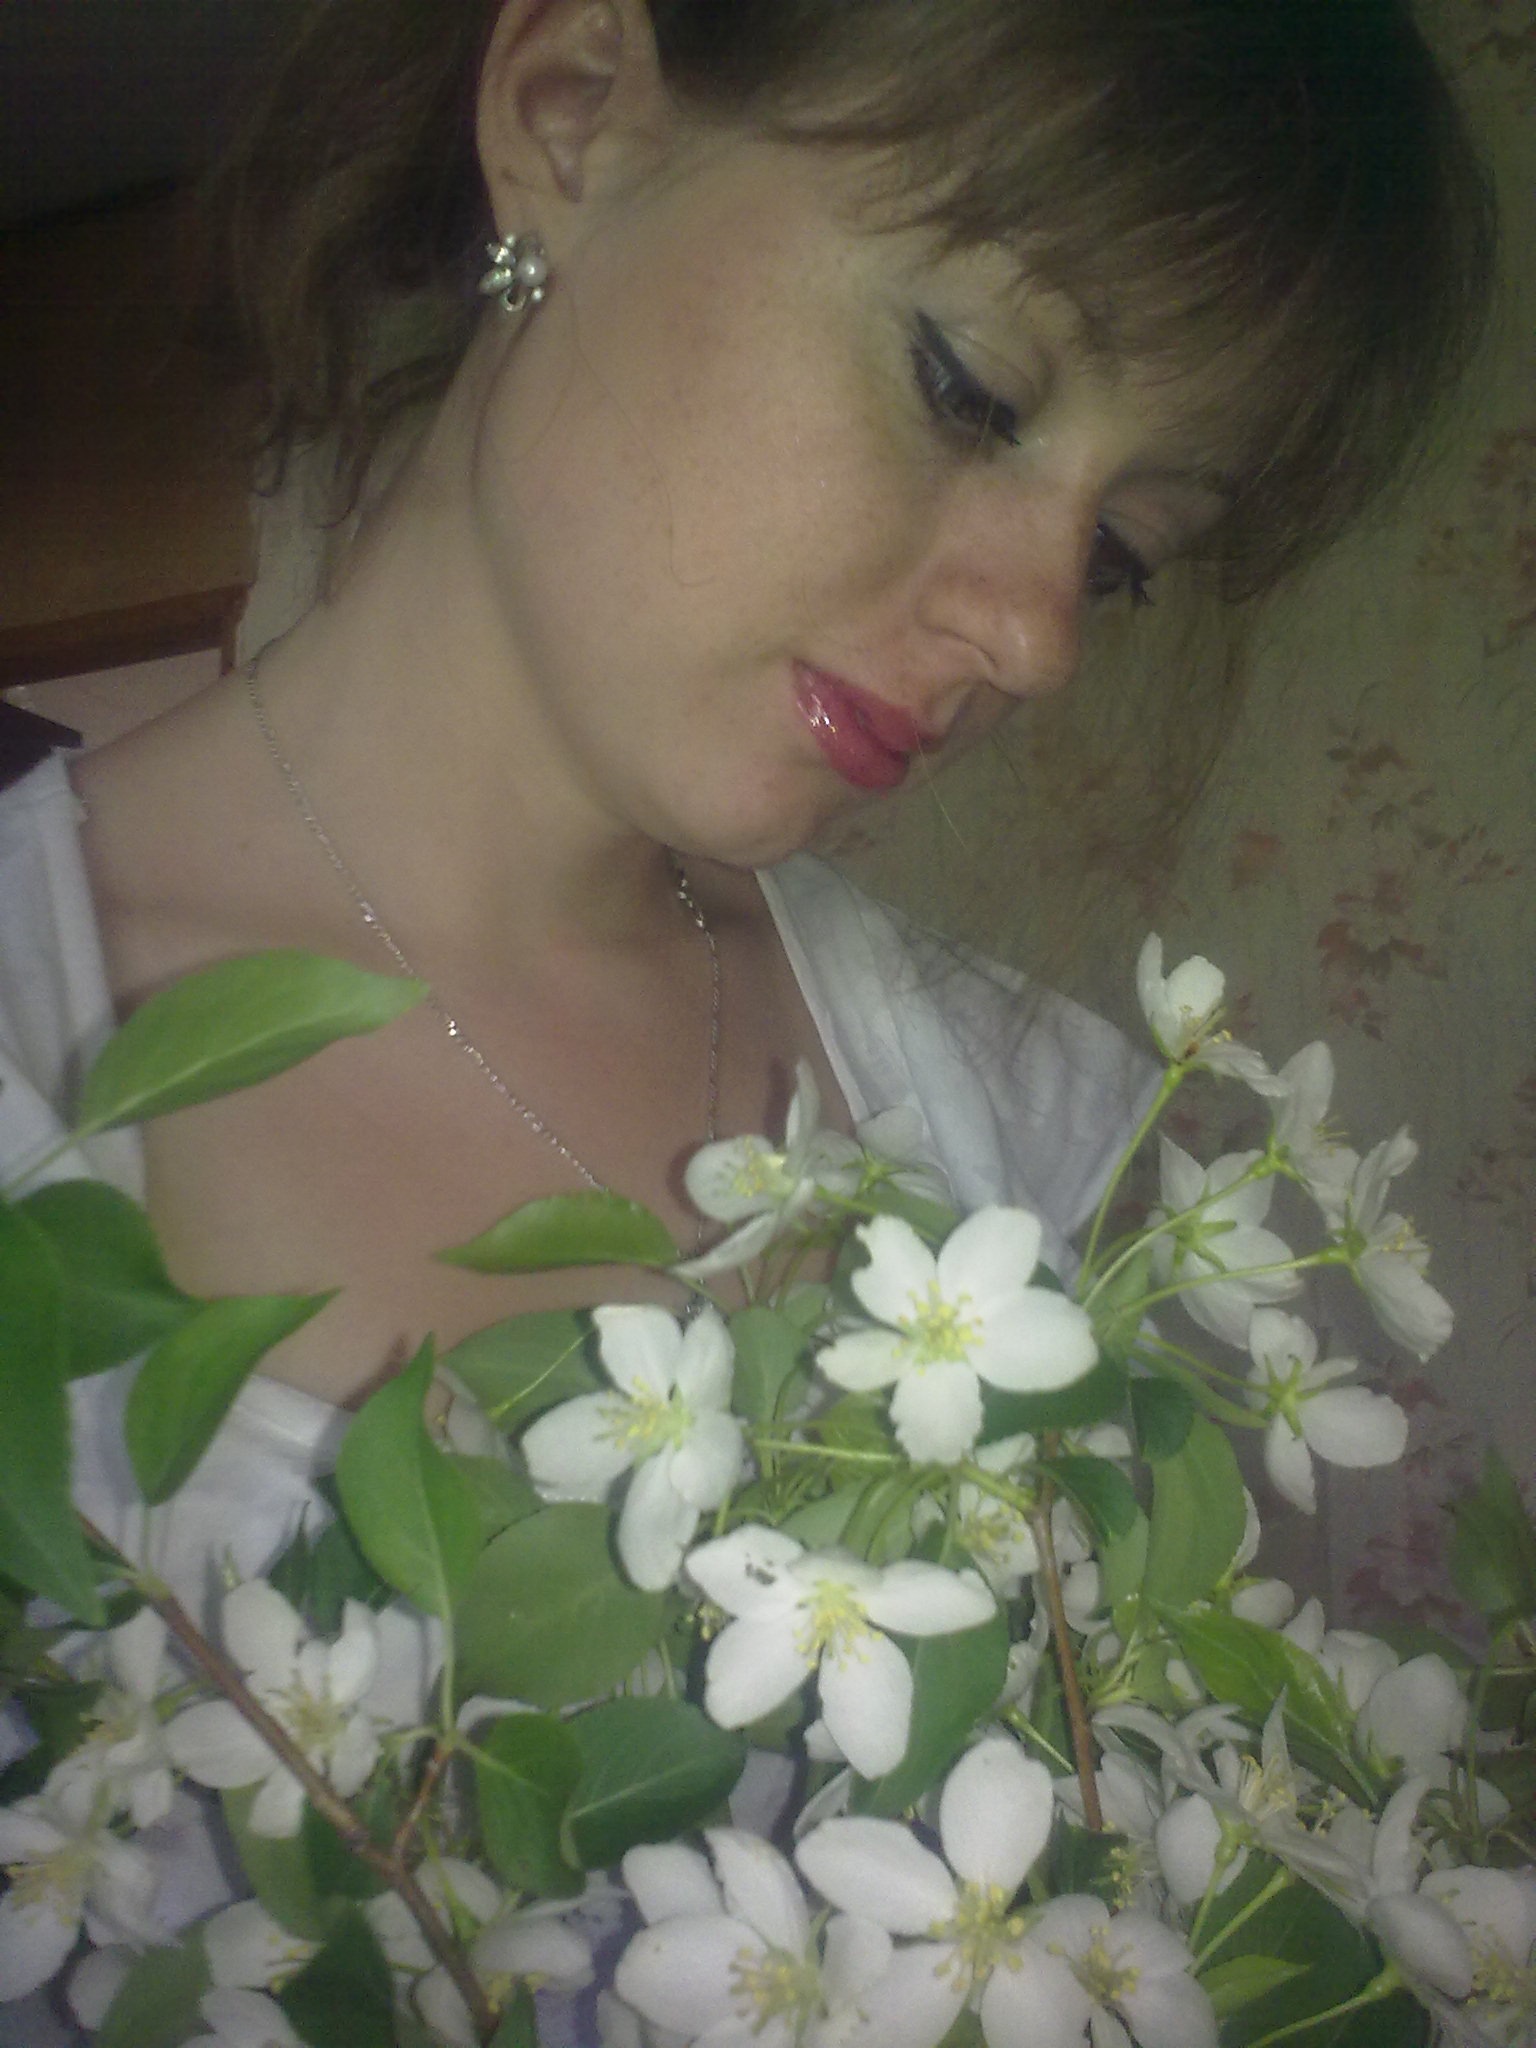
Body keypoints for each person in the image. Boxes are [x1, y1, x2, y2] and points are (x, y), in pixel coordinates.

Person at [0, 0, 1494, 2034]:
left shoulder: (1047, 1154)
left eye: (1128, 554)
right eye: (971, 386)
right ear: (574, 113)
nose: (1039, 633)